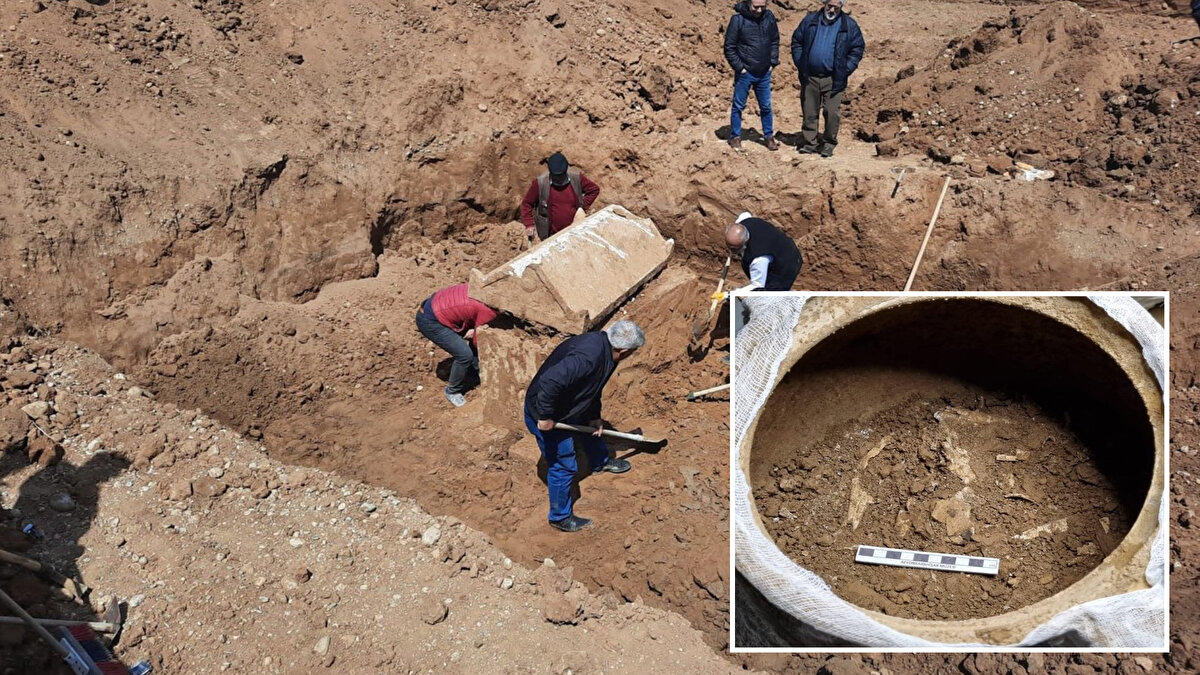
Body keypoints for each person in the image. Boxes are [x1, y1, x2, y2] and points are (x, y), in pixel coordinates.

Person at [523, 320, 645, 532]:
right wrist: (545, 416)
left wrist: (594, 415)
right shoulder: (588, 357)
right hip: (548, 414)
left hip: (569, 404)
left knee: (593, 431)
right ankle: (560, 517)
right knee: (563, 464)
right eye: (633, 351)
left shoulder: (609, 351)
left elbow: (593, 386)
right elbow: (551, 382)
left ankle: (600, 463)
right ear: (624, 350)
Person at [790, 0, 865, 157]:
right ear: (824, 3)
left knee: (832, 113)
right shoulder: (810, 20)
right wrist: (800, 61)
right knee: (809, 111)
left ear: (841, 7)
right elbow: (797, 41)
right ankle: (810, 143)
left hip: (833, 78)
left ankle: (829, 143)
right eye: (829, 6)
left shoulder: (849, 26)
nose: (832, 10)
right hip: (810, 76)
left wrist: (846, 69)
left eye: (836, 7)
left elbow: (857, 49)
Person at [415, 283, 498, 408]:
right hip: (430, 321)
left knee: (473, 337)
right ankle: (452, 391)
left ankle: (473, 371)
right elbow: (478, 341)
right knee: (464, 355)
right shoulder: (488, 310)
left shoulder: (483, 285)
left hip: (435, 306)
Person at [723, 0, 781, 151]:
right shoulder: (738, 20)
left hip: (764, 72)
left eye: (763, 6)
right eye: (756, 7)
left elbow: (775, 40)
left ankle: (768, 136)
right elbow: (729, 47)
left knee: (766, 106)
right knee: (738, 105)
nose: (759, 10)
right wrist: (740, 68)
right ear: (748, 3)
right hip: (745, 73)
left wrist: (772, 62)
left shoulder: (769, 17)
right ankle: (735, 136)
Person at [519, 152, 600, 241]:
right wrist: (529, 224)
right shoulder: (540, 183)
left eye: (561, 175)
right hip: (550, 235)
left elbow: (594, 190)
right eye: (556, 176)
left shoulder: (576, 178)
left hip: (574, 231)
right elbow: (526, 204)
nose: (559, 179)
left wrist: (582, 206)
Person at [721, 212, 802, 292]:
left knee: (771, 293)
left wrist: (731, 294)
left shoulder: (758, 259)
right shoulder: (745, 220)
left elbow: (757, 285)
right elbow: (745, 214)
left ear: (745, 242)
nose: (731, 251)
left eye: (735, 249)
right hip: (781, 245)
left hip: (788, 264)